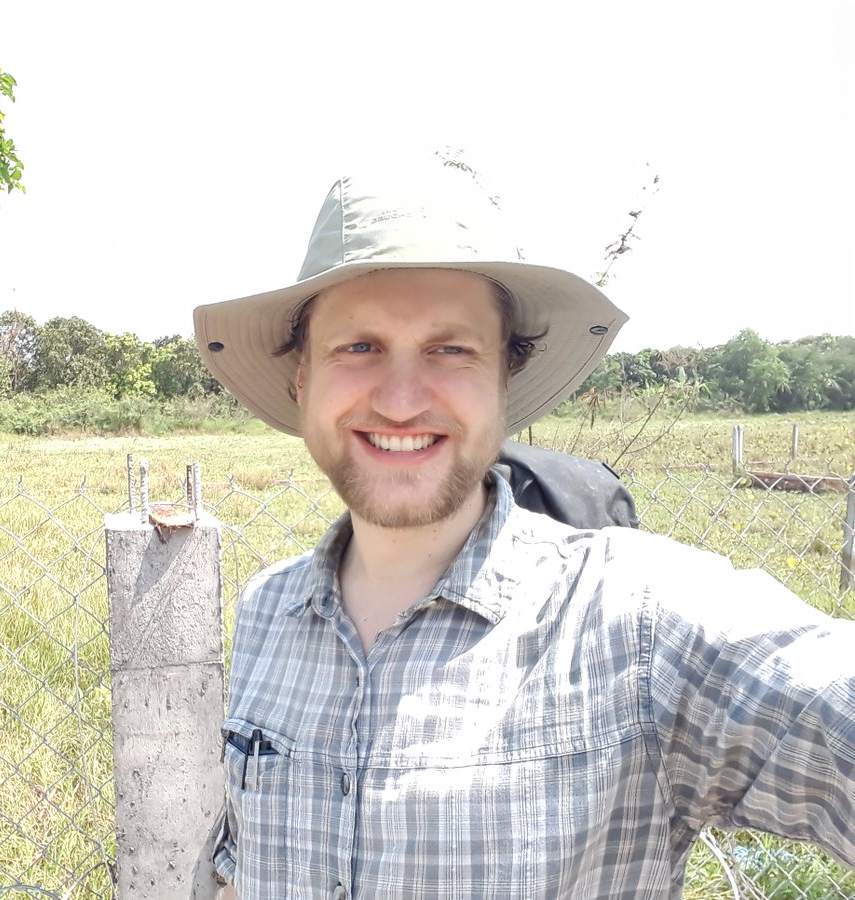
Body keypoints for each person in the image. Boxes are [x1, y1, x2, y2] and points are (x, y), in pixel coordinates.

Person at [189, 166, 855, 899]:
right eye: (358, 347)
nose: (404, 401)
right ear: (301, 381)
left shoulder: (634, 622)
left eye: (452, 349)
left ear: (506, 380)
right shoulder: (266, 612)